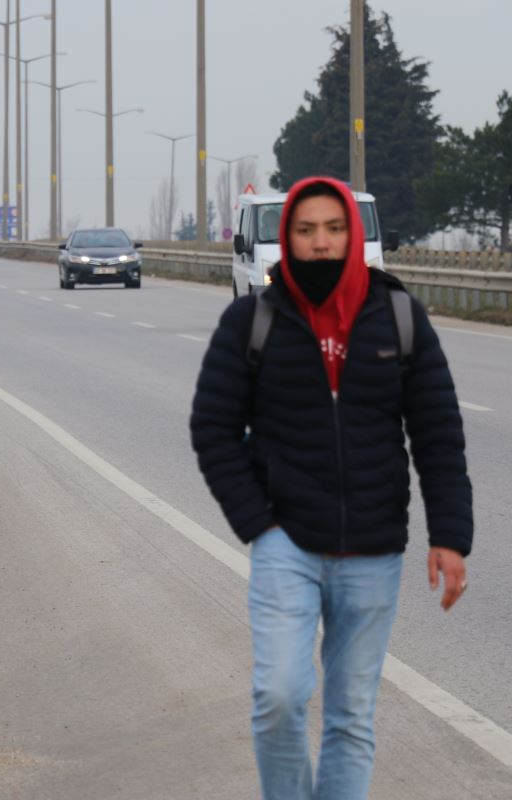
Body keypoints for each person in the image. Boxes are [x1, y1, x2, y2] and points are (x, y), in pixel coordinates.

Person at [189, 177, 472, 800]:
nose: (321, 244)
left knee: (350, 717)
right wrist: (257, 522)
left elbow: (438, 435)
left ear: (353, 233)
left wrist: (450, 536)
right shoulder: (252, 320)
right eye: (307, 230)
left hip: (373, 550)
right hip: (285, 543)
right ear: (287, 237)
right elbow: (211, 429)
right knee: (279, 696)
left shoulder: (398, 315)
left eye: (334, 229)